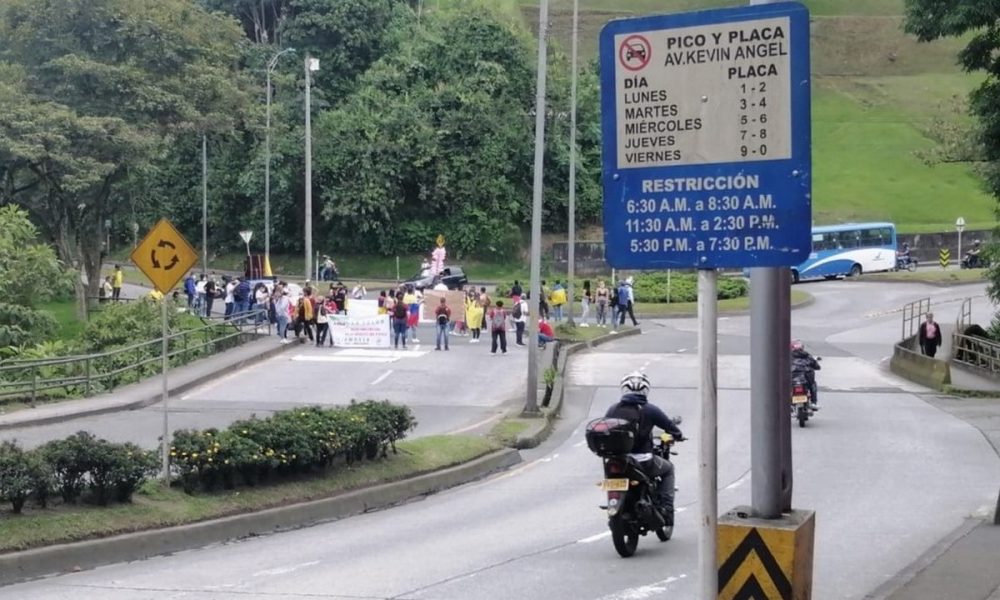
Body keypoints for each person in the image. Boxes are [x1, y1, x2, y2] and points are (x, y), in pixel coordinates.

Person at [605, 371, 685, 523]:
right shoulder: (650, 409)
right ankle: (667, 510)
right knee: (668, 469)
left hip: (618, 460)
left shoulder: (613, 409)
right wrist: (678, 435)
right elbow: (671, 428)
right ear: (646, 390)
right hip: (643, 461)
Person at [791, 340, 821, 408]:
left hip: (793, 379)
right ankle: (814, 402)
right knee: (813, 385)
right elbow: (816, 366)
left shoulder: (786, 356)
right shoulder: (807, 355)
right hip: (806, 379)